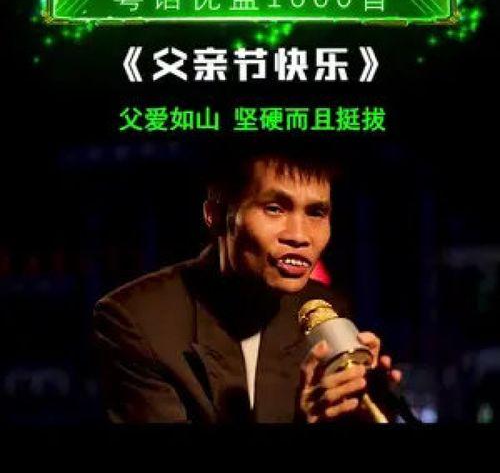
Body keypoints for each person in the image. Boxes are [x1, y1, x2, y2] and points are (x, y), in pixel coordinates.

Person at [93, 145, 401, 423]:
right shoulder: (138, 321)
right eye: (275, 208)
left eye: (316, 212)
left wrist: (368, 408)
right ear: (216, 215)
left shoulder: (325, 311)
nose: (300, 236)